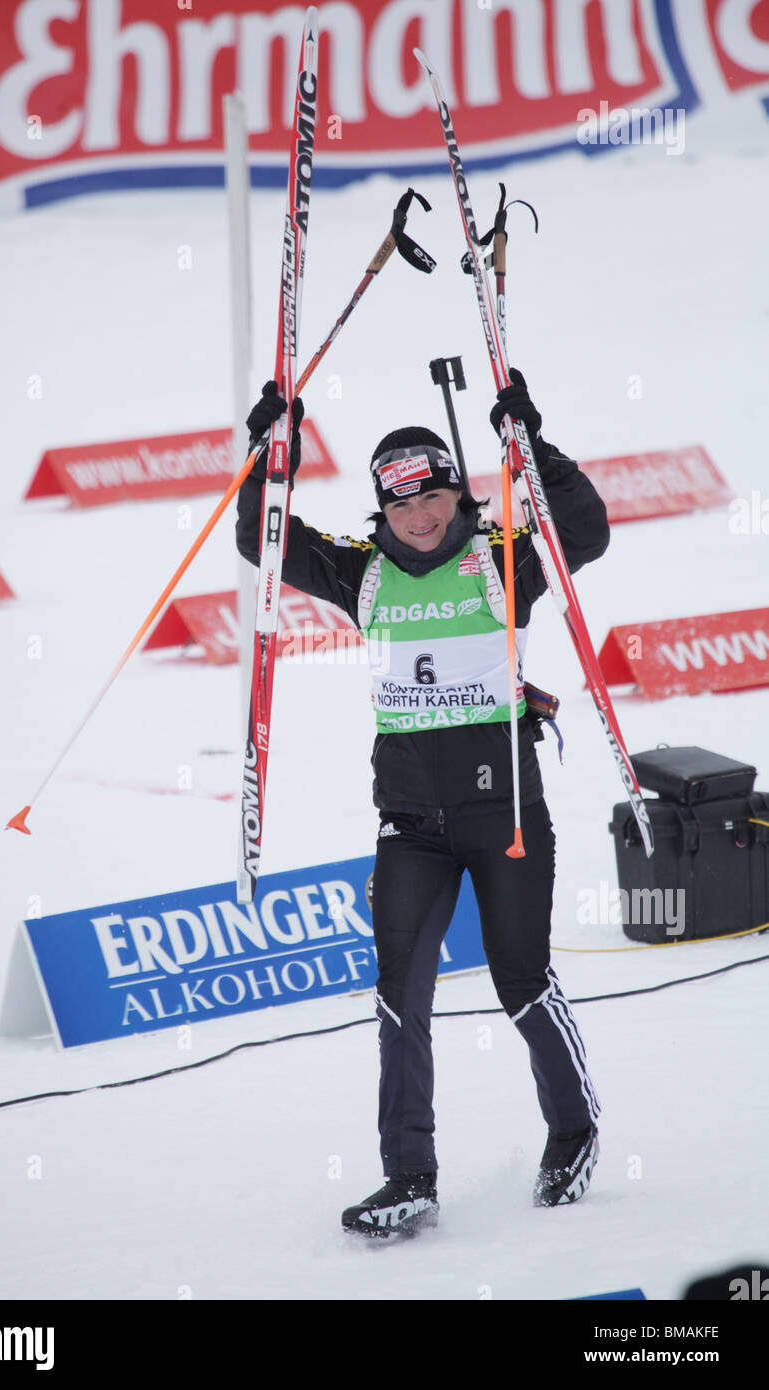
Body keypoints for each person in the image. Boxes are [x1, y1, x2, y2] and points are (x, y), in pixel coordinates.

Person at [236, 371, 609, 1238]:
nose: (422, 517)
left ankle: (575, 1130)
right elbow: (265, 538)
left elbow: (584, 530)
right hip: (410, 826)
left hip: (505, 810)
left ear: (453, 491)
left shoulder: (502, 561)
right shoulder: (359, 572)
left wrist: (534, 445)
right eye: (404, 505)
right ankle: (409, 1174)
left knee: (521, 981)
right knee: (399, 998)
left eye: (435, 496)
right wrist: (271, 452)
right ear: (384, 510)